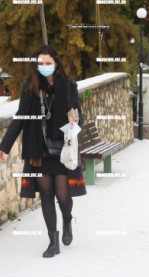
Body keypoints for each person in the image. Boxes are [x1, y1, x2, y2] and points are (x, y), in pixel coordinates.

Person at [0, 45, 87, 258]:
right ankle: (53, 242)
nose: (44, 67)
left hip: (62, 151)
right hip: (38, 151)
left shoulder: (67, 87)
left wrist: (74, 119)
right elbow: (20, 118)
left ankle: (67, 219)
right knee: (47, 197)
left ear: (55, 64)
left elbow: (80, 118)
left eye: (48, 63)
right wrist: (4, 147)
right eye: (41, 63)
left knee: (63, 196)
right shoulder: (30, 86)